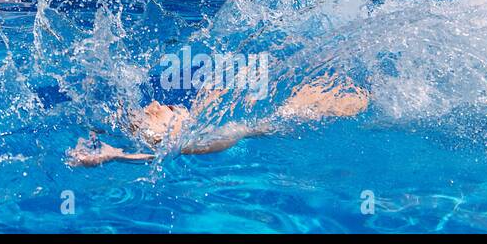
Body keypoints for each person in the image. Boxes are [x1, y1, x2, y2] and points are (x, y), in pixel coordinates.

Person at [67, 76, 370, 166]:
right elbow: (163, 153)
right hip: (287, 117)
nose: (156, 102)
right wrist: (116, 155)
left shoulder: (204, 115)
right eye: (161, 110)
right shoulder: (199, 139)